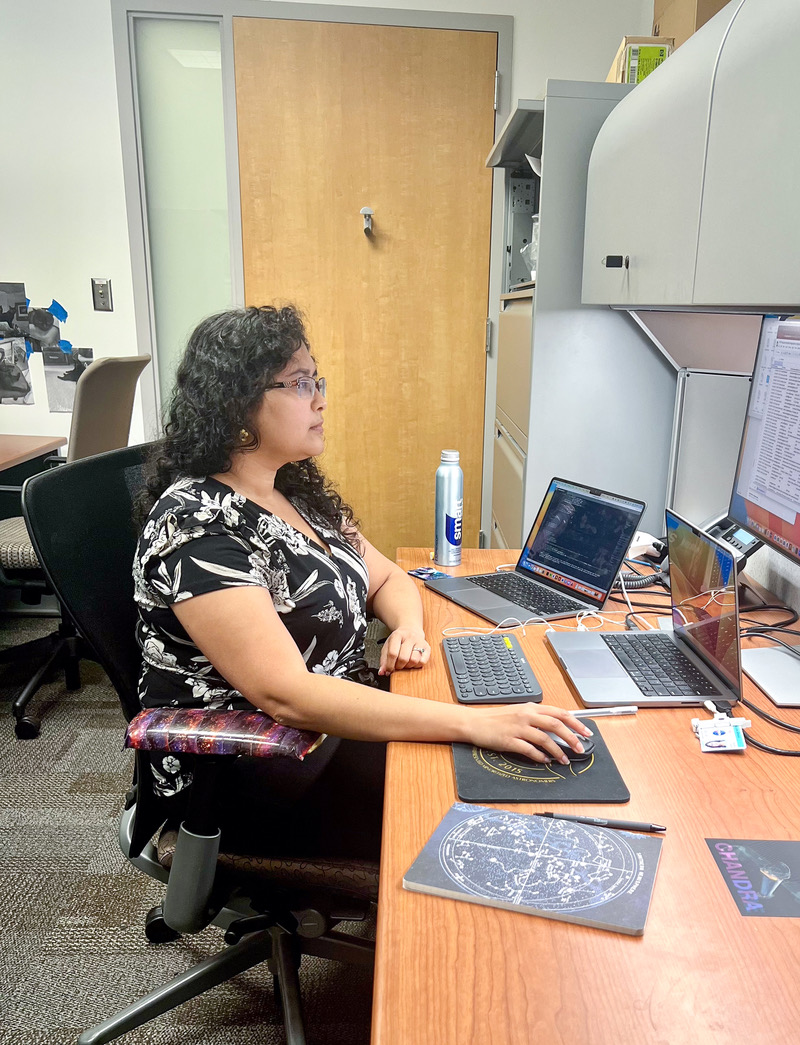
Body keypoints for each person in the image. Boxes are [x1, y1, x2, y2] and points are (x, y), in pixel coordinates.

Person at [134, 305, 589, 858]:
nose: (320, 399)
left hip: (337, 724)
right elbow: (288, 696)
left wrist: (407, 628)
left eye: (316, 380)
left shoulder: (292, 491)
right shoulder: (196, 523)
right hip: (256, 769)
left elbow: (390, 578)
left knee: (517, 774)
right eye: (300, 384)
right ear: (237, 405)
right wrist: (473, 725)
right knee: (482, 802)